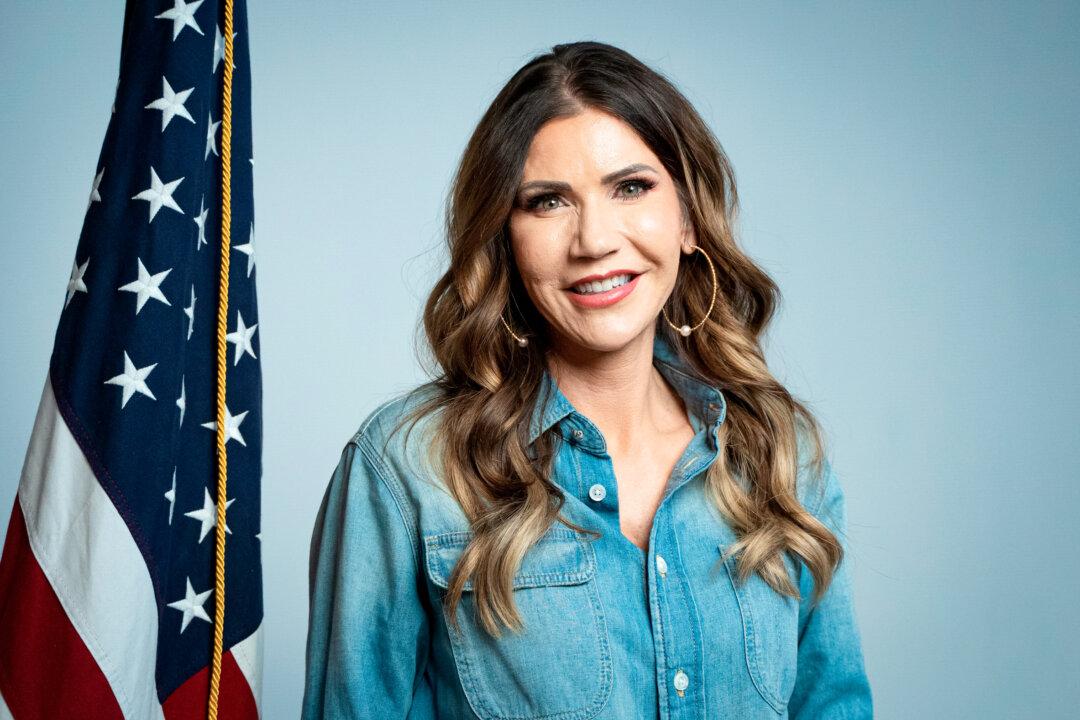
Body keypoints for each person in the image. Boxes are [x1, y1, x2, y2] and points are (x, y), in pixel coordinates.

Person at [302, 40, 873, 719]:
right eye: (548, 202)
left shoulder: (781, 453)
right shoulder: (408, 467)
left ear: (688, 218)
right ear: (503, 237)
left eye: (631, 188)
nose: (595, 240)